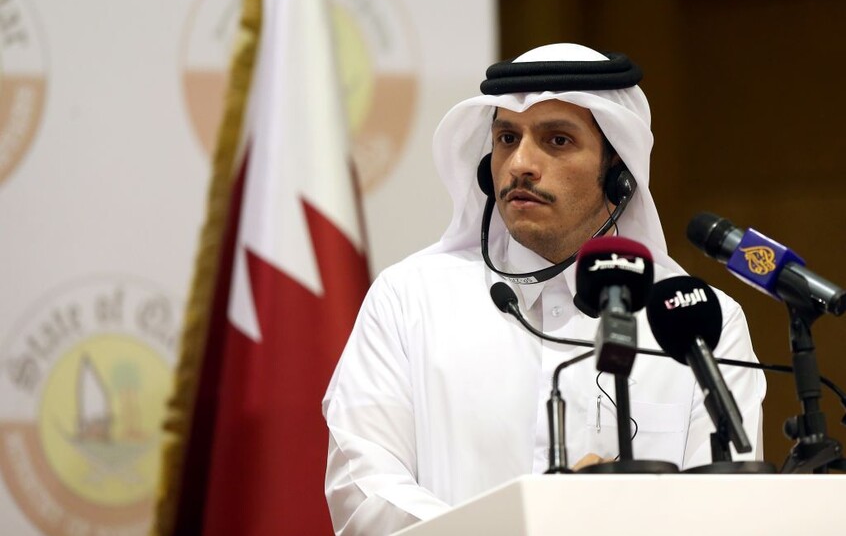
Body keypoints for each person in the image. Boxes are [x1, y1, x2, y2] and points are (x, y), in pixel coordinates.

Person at [322, 43, 765, 535]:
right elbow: (365, 491)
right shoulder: (410, 299)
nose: (520, 164)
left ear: (618, 173)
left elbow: (728, 515)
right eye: (507, 138)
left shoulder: (697, 321)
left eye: (557, 140)